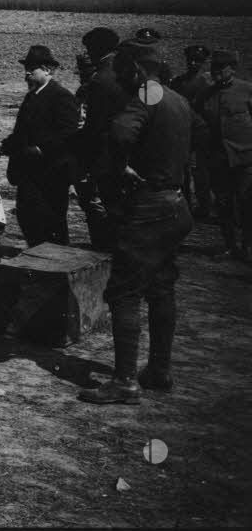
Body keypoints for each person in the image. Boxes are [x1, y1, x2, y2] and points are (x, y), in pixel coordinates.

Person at [79, 40, 203, 404]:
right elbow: (202, 131)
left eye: (121, 73)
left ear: (135, 70)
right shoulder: (177, 99)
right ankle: (159, 371)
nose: (118, 80)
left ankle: (124, 382)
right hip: (176, 204)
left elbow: (120, 134)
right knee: (162, 287)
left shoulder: (146, 95)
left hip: (148, 208)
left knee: (125, 291)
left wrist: (122, 167)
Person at [0, 46, 80, 247]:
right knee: (28, 219)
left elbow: (68, 136)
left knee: (51, 224)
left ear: (47, 70)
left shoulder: (61, 96)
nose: (26, 73)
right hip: (28, 173)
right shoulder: (31, 96)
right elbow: (20, 135)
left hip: (51, 174)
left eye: (31, 69)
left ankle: (55, 263)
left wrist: (40, 150)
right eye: (26, 69)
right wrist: (2, 147)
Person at [195, 50, 252, 262]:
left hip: (245, 158)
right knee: (223, 204)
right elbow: (197, 121)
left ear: (232, 69)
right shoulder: (206, 95)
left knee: (246, 204)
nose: (216, 72)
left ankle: (248, 246)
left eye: (221, 68)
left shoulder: (247, 90)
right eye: (213, 68)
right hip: (218, 159)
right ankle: (230, 246)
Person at [75, 28, 129, 250]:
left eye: (89, 49)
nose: (88, 54)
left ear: (97, 49)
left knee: (105, 205)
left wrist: (83, 155)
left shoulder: (100, 79)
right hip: (126, 149)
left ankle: (106, 250)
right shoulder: (125, 72)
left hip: (104, 154)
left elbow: (94, 126)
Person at [170, 46, 214, 219]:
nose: (193, 63)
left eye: (198, 61)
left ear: (203, 63)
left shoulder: (209, 84)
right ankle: (186, 204)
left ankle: (204, 207)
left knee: (202, 171)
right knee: (183, 169)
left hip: (202, 131)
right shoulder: (178, 82)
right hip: (183, 130)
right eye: (191, 60)